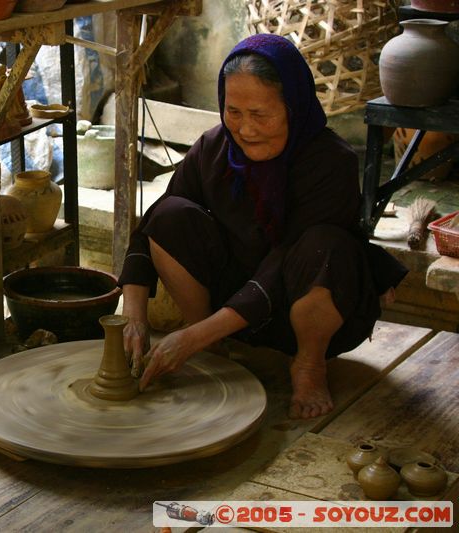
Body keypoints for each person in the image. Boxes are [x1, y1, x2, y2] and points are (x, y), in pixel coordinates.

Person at [118, 34, 407, 420]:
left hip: (307, 308)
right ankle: (214, 348)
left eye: (260, 114)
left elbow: (280, 267)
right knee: (170, 214)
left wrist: (190, 339)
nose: (246, 129)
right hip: (232, 304)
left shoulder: (330, 163)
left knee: (327, 246)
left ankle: (307, 364)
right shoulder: (213, 148)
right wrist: (133, 318)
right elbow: (149, 228)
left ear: (293, 107)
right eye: (233, 112)